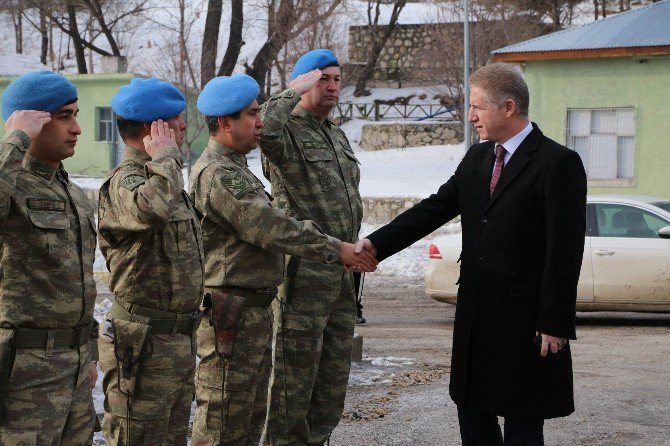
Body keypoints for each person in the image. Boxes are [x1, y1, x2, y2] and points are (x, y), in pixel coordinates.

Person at [356, 63, 587, 446]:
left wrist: (555, 322)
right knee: (473, 417)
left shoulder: (557, 163)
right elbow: (433, 209)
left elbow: (566, 251)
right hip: (476, 319)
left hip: (526, 324)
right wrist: (376, 245)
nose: (470, 116)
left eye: (478, 106)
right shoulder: (477, 159)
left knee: (523, 424)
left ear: (508, 107)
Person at [189, 74, 376, 446]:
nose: (259, 122)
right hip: (233, 311)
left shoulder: (236, 167)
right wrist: (334, 248)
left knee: (249, 417)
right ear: (225, 122)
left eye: (259, 113)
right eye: (251, 115)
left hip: (250, 311)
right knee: (225, 423)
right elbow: (272, 226)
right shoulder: (218, 174)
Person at [258, 49, 366, 445]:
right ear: (303, 84)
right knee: (292, 384)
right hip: (303, 277)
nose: (333, 86)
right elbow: (262, 129)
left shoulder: (334, 133)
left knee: (332, 384)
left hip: (341, 277)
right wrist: (290, 92)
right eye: (324, 79)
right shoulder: (286, 131)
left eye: (337, 79)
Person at [97, 78, 204, 444]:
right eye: (176, 119)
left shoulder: (163, 177)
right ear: (152, 128)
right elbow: (151, 208)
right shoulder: (126, 181)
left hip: (175, 341)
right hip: (143, 344)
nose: (184, 126)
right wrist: (167, 157)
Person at [0, 71, 98, 444]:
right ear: (31, 122)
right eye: (63, 117)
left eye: (75, 114)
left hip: (72, 365)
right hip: (25, 372)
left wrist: (86, 352)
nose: (77, 128)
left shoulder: (72, 192)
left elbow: (80, 280)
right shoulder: (12, 185)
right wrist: (16, 140)